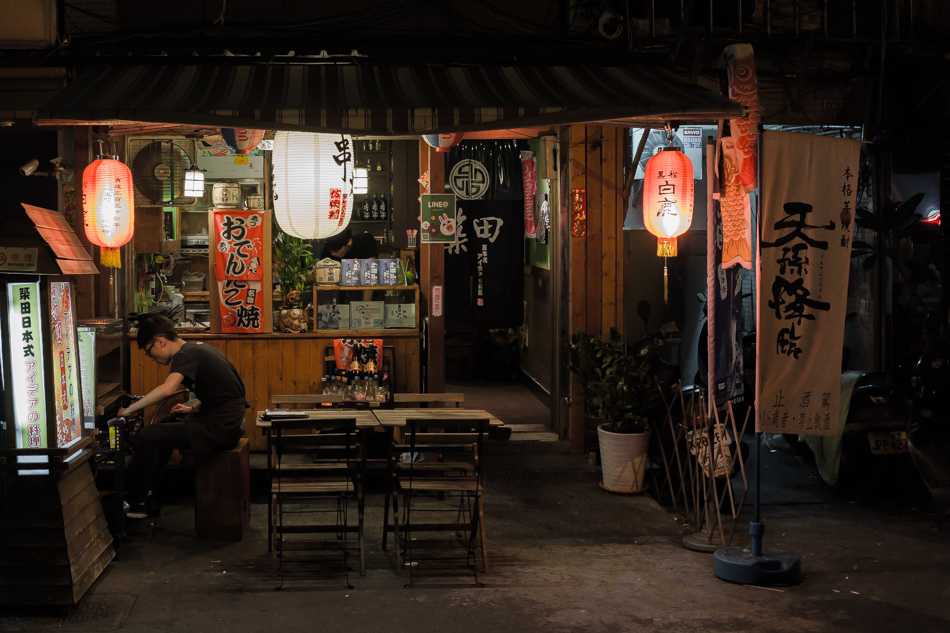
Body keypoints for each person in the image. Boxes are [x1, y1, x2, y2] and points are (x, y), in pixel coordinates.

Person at [117, 314, 248, 518]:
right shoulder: (198, 348)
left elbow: (168, 389)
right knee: (166, 424)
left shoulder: (185, 355)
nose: (152, 358)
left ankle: (138, 502)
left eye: (149, 353)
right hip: (231, 421)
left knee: (147, 436)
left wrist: (129, 410)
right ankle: (150, 492)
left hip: (222, 427)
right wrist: (193, 407)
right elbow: (224, 390)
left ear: (160, 341)